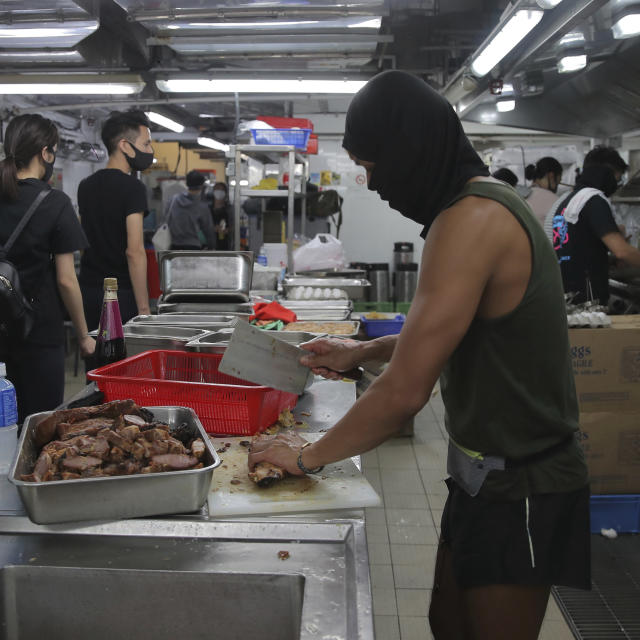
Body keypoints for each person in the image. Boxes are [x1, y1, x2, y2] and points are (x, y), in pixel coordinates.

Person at [247, 71, 590, 640]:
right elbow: (457, 334)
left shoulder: (472, 220)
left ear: (407, 150)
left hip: (523, 481)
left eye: (373, 165)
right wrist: (365, 350)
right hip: (483, 472)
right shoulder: (478, 207)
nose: (373, 184)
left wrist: (305, 456)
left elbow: (406, 394)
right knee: (447, 624)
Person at [0, 114, 95, 422]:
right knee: (42, 422)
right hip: (40, 333)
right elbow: (66, 280)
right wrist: (83, 335)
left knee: (5, 420)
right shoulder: (55, 202)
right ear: (45, 153)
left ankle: (5, 469)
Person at [77, 111, 153, 327]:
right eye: (146, 144)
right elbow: (135, 251)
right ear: (125, 145)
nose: (149, 151)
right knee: (125, 360)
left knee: (96, 358)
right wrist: (144, 309)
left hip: (89, 291)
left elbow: (83, 242)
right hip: (121, 296)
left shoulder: (86, 185)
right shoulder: (133, 188)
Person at [546, 149, 640, 305]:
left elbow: (571, 248)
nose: (617, 183)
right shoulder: (593, 200)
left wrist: (605, 260)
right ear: (606, 172)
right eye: (617, 176)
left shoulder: (569, 200)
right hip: (587, 299)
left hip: (566, 294)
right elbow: (622, 251)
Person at [161, 170, 217, 250]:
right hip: (193, 248)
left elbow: (164, 221)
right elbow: (209, 230)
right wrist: (212, 247)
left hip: (174, 248)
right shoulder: (201, 206)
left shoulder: (173, 200)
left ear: (187, 183)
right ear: (202, 186)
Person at [524, 157, 564, 224]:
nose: (556, 187)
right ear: (551, 176)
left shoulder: (522, 195)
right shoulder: (554, 200)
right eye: (557, 182)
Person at [210, 181, 231, 249]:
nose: (219, 191)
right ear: (213, 191)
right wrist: (212, 229)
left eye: (222, 190)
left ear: (225, 193)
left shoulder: (229, 210)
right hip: (209, 246)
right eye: (217, 189)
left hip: (225, 245)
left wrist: (229, 230)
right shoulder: (207, 209)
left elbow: (235, 225)